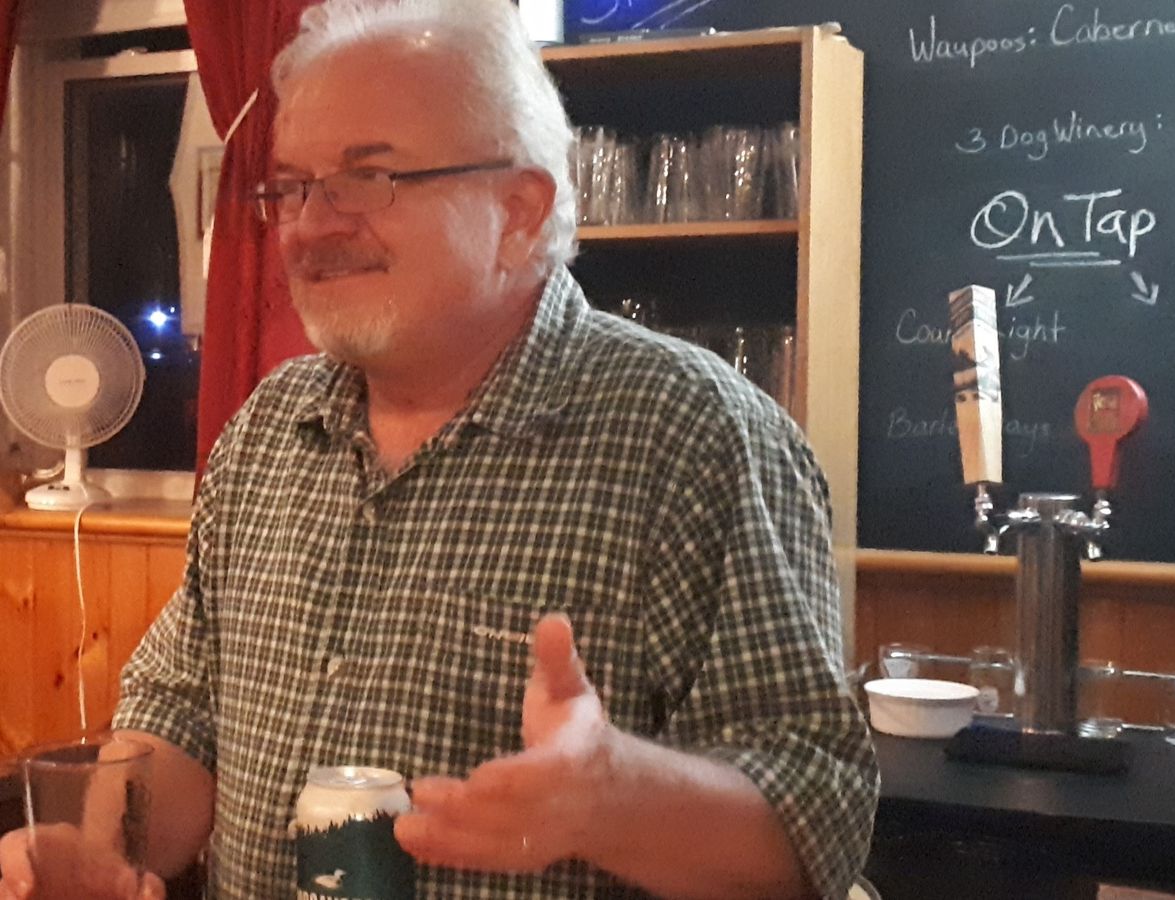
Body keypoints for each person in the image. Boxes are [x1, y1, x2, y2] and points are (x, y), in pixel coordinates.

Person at [0, 0, 877, 897]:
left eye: (367, 178)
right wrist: (105, 860)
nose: (309, 225)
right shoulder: (268, 429)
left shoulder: (696, 436)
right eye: (292, 186)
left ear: (518, 211)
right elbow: (182, 714)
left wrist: (615, 798)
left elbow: (817, 822)